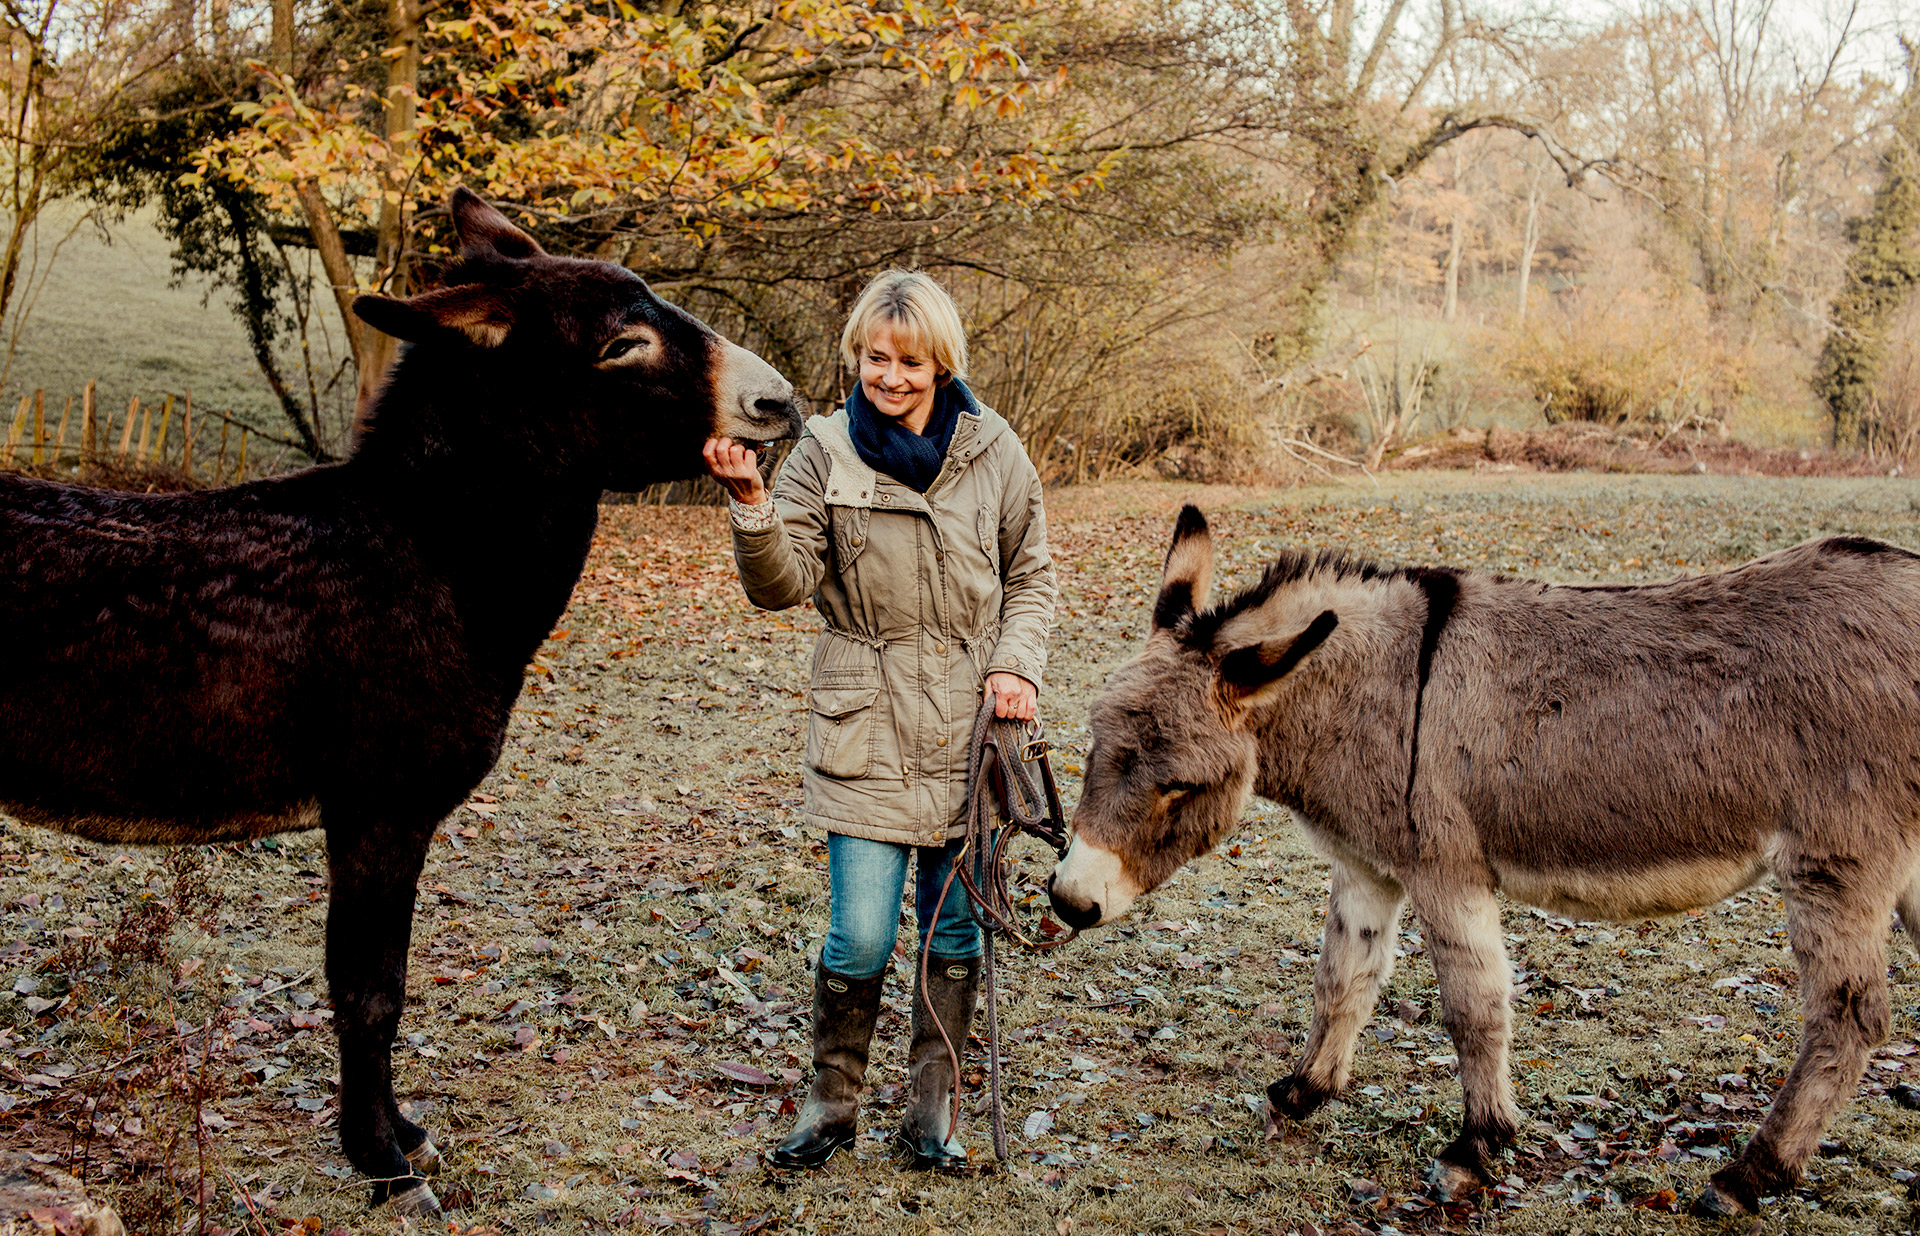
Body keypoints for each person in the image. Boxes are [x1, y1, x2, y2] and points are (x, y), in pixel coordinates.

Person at [703, 270, 1056, 1171]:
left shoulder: (994, 448)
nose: (888, 376)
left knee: (953, 930)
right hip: (866, 728)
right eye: (874, 357)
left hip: (973, 729)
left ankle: (927, 1119)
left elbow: (1032, 575)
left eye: (908, 360)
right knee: (861, 931)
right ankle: (829, 1109)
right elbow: (779, 587)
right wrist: (752, 508)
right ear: (856, 354)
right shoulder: (821, 454)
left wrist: (1016, 664)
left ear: (942, 362)